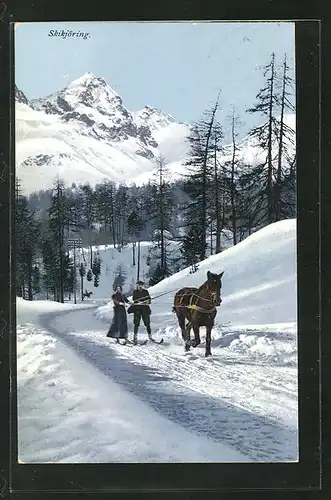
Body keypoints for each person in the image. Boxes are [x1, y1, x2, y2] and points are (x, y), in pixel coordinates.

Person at [128, 280, 154, 344]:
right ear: (137, 286)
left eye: (141, 285)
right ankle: (135, 337)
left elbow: (149, 300)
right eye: (138, 285)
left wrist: (146, 302)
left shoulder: (146, 292)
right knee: (136, 323)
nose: (140, 286)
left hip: (145, 309)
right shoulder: (135, 292)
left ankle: (150, 336)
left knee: (147, 323)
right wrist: (139, 302)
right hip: (137, 309)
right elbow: (134, 299)